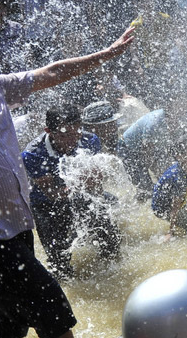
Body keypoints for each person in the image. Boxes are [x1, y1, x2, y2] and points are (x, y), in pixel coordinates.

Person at [0, 24, 134, 338]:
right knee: (46, 297)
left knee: (2, 317)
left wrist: (104, 55)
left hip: (16, 226)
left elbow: (50, 72)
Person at [21, 105, 122, 278]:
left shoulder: (90, 140)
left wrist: (95, 180)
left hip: (82, 195)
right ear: (48, 131)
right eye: (64, 135)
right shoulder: (33, 153)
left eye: (76, 133)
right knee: (59, 262)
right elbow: (53, 194)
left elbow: (96, 187)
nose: (71, 140)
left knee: (111, 243)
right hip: (47, 205)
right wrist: (79, 183)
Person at [151, 140, 187, 239]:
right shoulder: (178, 177)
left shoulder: (186, 169)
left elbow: (185, 192)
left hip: (172, 203)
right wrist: (171, 231)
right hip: (162, 208)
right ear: (180, 156)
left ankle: (182, 225)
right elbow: (175, 208)